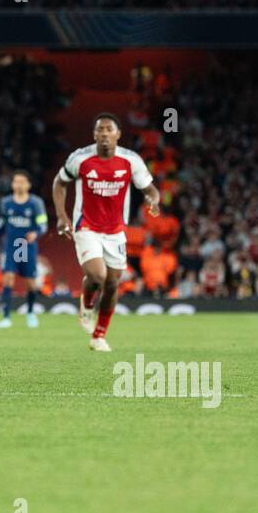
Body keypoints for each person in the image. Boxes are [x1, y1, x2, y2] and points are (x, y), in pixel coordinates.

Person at [51, 114, 160, 352]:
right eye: (100, 130)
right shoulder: (80, 159)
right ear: (94, 135)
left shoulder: (131, 160)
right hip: (86, 227)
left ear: (118, 134)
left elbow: (150, 189)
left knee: (112, 285)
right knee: (98, 275)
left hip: (116, 232)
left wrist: (153, 201)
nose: (104, 134)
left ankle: (99, 335)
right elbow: (59, 183)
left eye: (109, 130)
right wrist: (62, 216)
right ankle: (87, 304)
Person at [0, 169, 48, 329]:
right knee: (8, 278)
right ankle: (6, 317)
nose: (19, 184)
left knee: (30, 283)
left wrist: (36, 233)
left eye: (22, 181)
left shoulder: (36, 203)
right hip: (11, 246)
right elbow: (0, 225)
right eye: (16, 181)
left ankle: (30, 312)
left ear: (28, 185)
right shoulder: (6, 203)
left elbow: (43, 224)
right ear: (12, 184)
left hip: (27, 247)